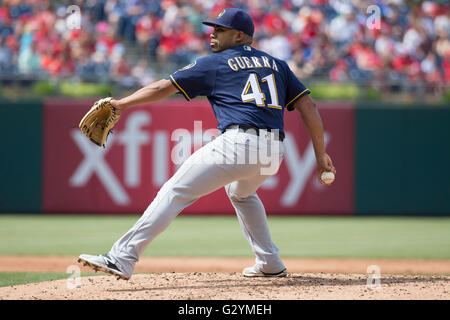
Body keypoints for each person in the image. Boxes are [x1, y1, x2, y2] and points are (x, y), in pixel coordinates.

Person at [78, 8, 336, 280]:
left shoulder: (215, 63)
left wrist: (121, 103)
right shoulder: (278, 64)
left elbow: (162, 88)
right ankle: (269, 261)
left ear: (239, 36)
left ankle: (122, 257)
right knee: (242, 193)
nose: (212, 34)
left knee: (174, 191)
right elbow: (308, 105)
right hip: (274, 152)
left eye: (220, 30)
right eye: (213, 29)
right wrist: (320, 154)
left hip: (239, 143)